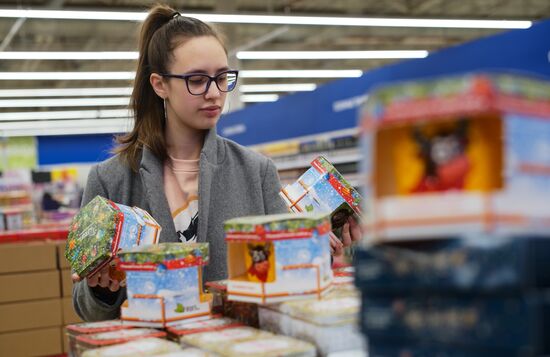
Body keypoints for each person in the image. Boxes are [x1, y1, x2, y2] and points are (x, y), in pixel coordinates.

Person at [72, 4, 361, 322]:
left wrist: (316, 254)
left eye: (223, 77)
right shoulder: (110, 179)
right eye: (197, 80)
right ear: (160, 85)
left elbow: (281, 280)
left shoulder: (256, 171)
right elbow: (87, 309)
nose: (215, 93)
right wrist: (104, 290)